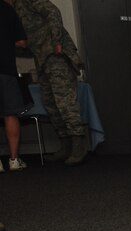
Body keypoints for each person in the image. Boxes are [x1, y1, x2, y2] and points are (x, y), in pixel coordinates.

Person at [12, 0, 88, 166]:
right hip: (42, 58)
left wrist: (56, 41)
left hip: (56, 54)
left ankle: (77, 146)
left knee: (65, 101)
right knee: (50, 103)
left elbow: (53, 12)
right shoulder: (13, 8)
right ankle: (65, 145)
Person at [1, 0, 28, 173]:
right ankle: (13, 160)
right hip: (5, 68)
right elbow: (22, 43)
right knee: (10, 113)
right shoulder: (7, 9)